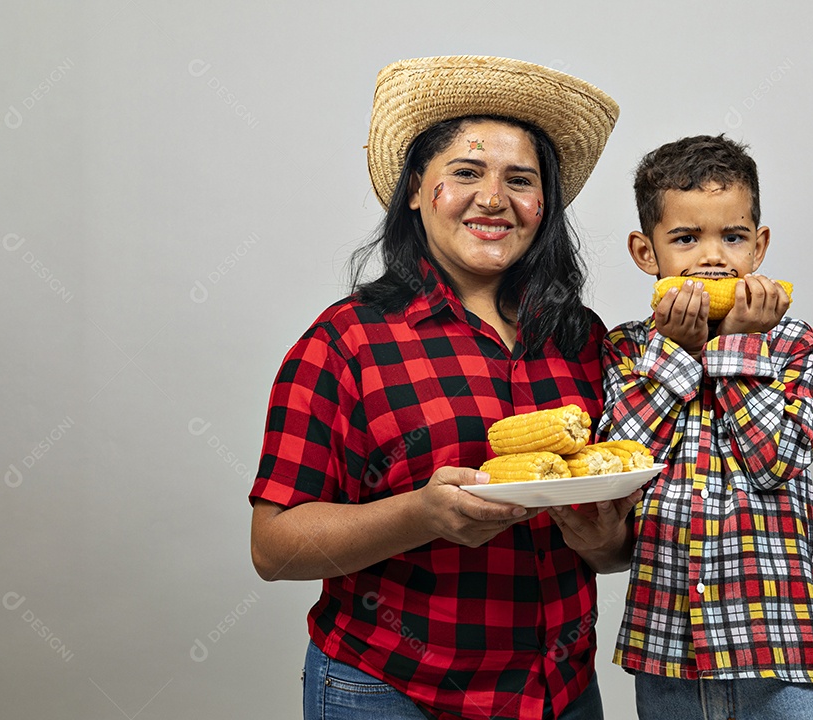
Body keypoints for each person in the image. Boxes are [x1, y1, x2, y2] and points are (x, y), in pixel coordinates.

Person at [249, 55, 635, 720]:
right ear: (416, 190)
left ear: (544, 205)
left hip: (558, 694)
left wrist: (599, 538)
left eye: (520, 179)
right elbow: (275, 546)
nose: (493, 199)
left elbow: (611, 551)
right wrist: (420, 516)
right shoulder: (345, 343)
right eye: (466, 173)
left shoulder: (584, 340)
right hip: (393, 691)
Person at [599, 135, 813, 719]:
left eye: (732, 237)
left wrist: (736, 350)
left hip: (774, 644)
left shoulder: (795, 346)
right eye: (685, 238)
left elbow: (774, 462)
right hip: (666, 652)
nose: (712, 257)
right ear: (644, 252)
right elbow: (623, 462)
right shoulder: (627, 350)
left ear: (759, 248)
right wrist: (675, 355)